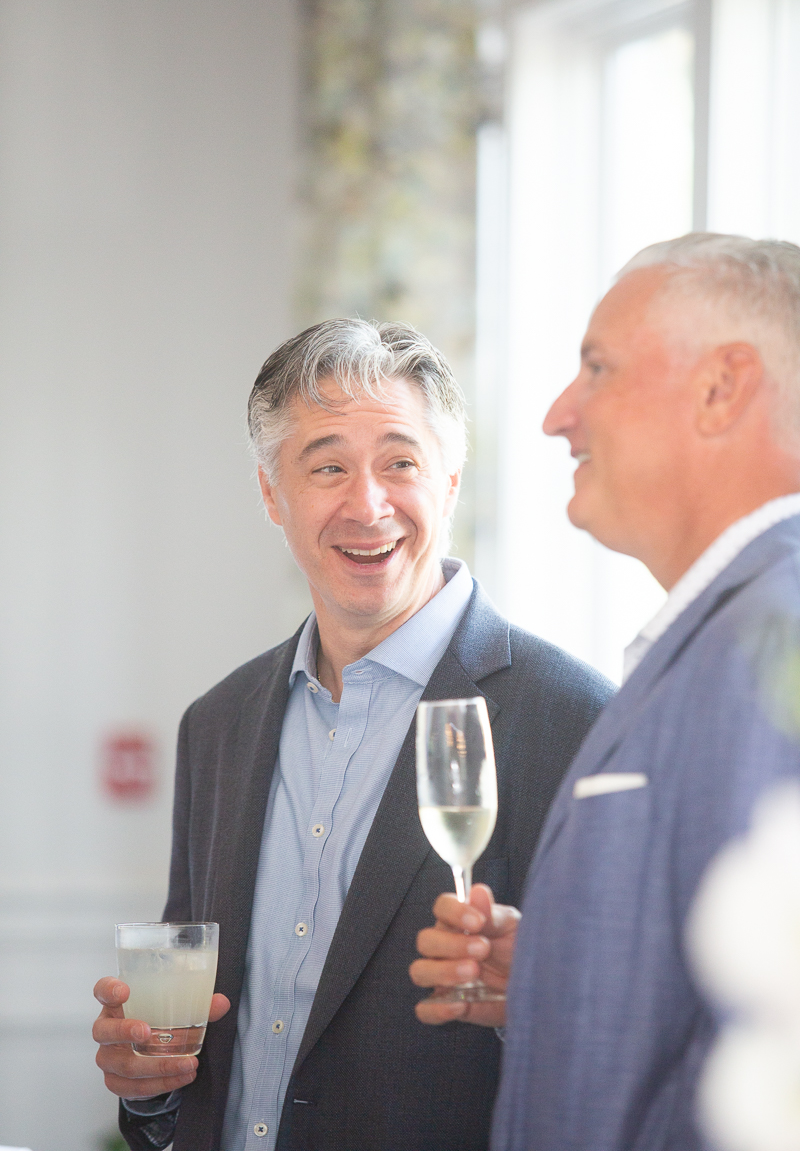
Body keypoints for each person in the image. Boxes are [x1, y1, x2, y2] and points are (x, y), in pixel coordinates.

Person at [92, 319, 612, 1151]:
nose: (367, 505)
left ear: (448, 481)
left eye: (400, 463)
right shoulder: (217, 726)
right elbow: (184, 1031)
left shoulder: (577, 720)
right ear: (272, 494)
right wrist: (149, 1085)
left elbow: (623, 1044)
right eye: (327, 466)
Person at [411, 234, 800, 1151]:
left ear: (722, 387)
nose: (556, 415)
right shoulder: (724, 632)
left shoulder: (773, 638)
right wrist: (554, 971)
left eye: (597, 367)